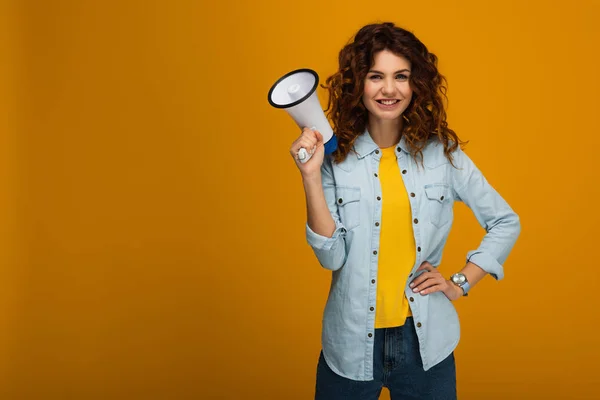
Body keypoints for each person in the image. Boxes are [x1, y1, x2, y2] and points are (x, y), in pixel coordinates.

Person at [288, 22, 521, 399]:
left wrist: (461, 283)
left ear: (416, 85)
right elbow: (330, 258)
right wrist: (310, 176)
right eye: (376, 76)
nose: (389, 89)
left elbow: (505, 221)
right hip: (348, 344)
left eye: (401, 76)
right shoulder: (335, 160)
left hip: (425, 345)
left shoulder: (443, 156)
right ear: (357, 84)